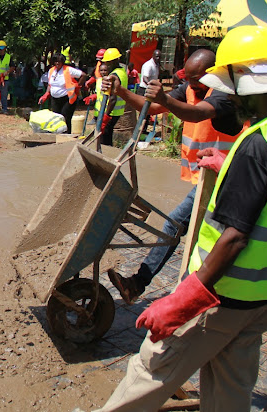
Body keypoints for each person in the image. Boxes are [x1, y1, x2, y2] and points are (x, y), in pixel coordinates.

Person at [94, 26, 267, 412]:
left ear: (245, 83)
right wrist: (234, 168)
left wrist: (180, 301)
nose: (226, 99)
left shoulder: (257, 144)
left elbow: (234, 238)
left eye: (229, 88)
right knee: (229, 383)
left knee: (153, 367)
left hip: (223, 294)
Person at [102, 49, 244, 304]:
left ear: (212, 74)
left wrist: (166, 100)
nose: (190, 84)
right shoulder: (191, 88)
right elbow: (153, 108)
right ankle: (187, 288)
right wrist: (122, 92)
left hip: (226, 176)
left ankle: (177, 290)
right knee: (195, 230)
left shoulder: (223, 92)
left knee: (178, 225)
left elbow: (197, 113)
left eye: (196, 79)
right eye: (187, 78)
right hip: (207, 177)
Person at [38, 53, 86, 133]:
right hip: (55, 99)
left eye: (59, 61)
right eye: (56, 61)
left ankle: (66, 137)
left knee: (65, 117)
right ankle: (58, 136)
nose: (57, 63)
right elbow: (50, 84)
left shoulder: (68, 70)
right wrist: (46, 94)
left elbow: (83, 75)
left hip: (67, 99)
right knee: (56, 118)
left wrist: (78, 85)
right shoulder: (51, 71)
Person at [96, 48, 127, 146]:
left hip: (111, 111)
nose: (107, 65)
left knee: (104, 140)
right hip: (116, 111)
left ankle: (104, 157)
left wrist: (105, 117)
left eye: (109, 63)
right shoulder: (122, 71)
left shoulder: (114, 75)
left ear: (115, 61)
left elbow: (113, 98)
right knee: (107, 136)